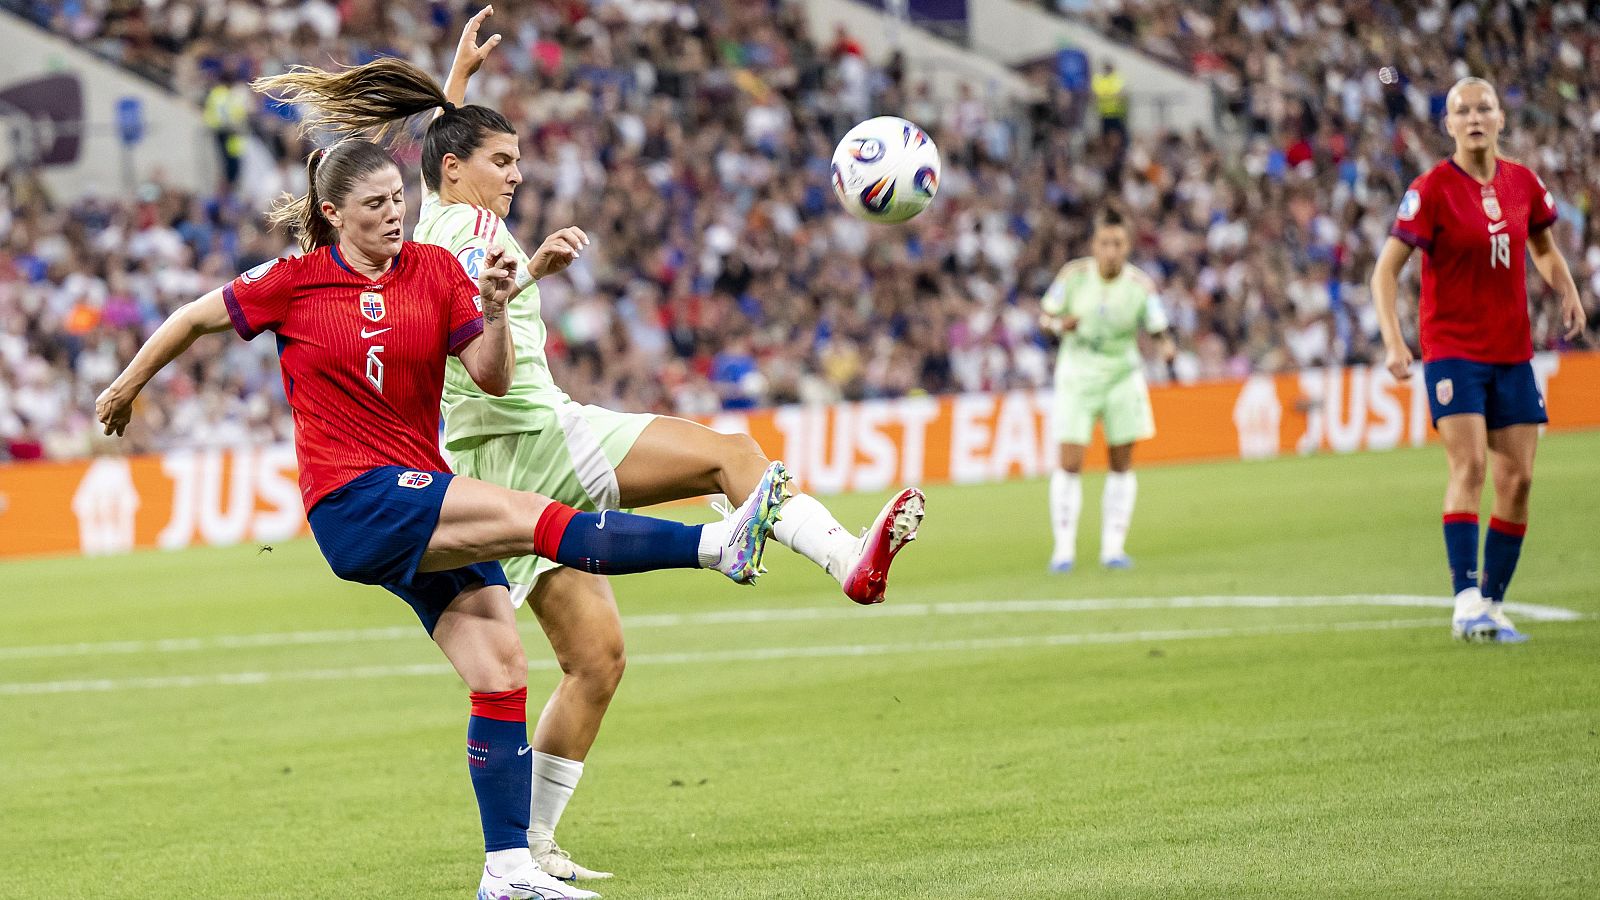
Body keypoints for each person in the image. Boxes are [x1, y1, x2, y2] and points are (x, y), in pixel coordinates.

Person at [251, 9, 927, 883]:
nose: (518, 177)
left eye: (520, 161)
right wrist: (527, 264)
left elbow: (436, 193)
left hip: (492, 462)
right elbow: (452, 236)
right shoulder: (460, 230)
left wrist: (456, 97)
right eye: (503, 161)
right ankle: (847, 564)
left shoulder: (437, 229)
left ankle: (526, 850)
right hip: (535, 435)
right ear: (455, 170)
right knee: (730, 454)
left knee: (595, 663)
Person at [94, 136, 791, 900]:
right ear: (333, 214)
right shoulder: (294, 281)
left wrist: (495, 304)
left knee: (501, 669)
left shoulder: (433, 269)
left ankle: (508, 871)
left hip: (417, 490)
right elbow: (192, 320)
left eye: (398, 199)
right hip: (355, 499)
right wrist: (125, 388)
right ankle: (716, 544)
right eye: (375, 206)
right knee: (538, 517)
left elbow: (490, 378)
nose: (395, 216)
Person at [1370, 76, 1586, 643]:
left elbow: (1541, 246)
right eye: (1461, 110)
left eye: (1483, 108)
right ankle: (1464, 602)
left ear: (1500, 119)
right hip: (1453, 352)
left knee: (1518, 481)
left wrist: (1566, 289)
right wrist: (1395, 341)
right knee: (1470, 468)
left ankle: (1490, 604)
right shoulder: (1432, 189)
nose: (1473, 118)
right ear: (1448, 124)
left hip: (1512, 351)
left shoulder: (1523, 184)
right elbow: (1384, 272)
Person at [1039, 208, 1175, 573]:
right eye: (1104, 243)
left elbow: (1158, 326)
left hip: (1122, 376)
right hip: (1077, 376)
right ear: (1094, 245)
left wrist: (1165, 346)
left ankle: (1113, 547)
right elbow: (1044, 318)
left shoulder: (1141, 285)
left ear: (1127, 246)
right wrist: (1057, 325)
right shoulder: (1073, 276)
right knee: (1070, 462)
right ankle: (1063, 550)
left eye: (1117, 243)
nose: (1111, 250)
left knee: (1121, 462)